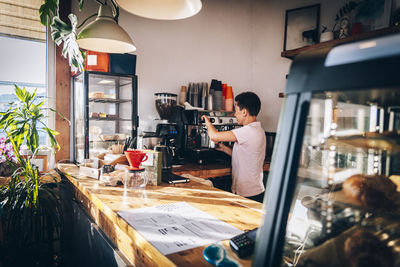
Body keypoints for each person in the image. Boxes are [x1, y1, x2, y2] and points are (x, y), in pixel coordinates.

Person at [202, 91, 266, 203]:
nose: (235, 114)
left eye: (236, 111)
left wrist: (208, 122)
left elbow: (214, 136)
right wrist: (224, 149)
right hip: (255, 190)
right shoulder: (258, 130)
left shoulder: (247, 131)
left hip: (248, 193)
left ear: (244, 112)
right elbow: (246, 156)